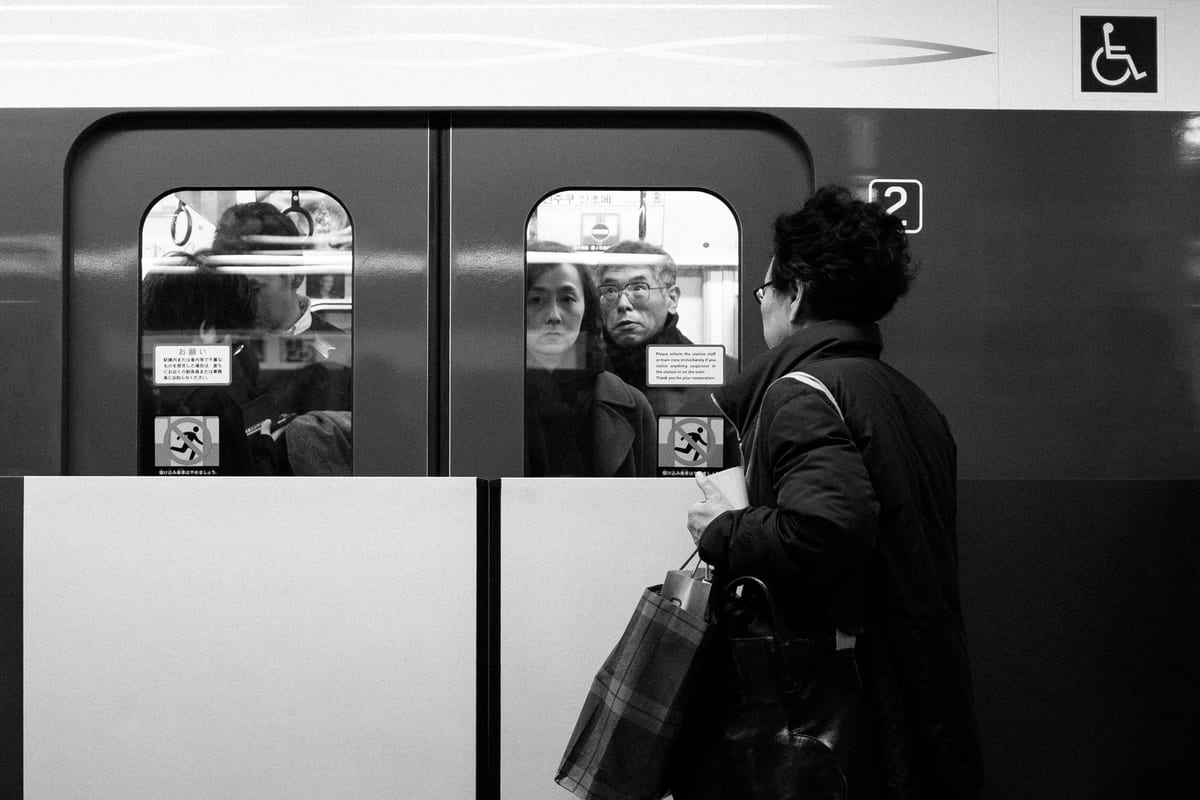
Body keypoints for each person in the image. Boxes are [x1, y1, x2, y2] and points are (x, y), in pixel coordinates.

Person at [678, 187, 984, 799]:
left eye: (766, 290)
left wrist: (723, 528)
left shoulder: (802, 391)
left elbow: (825, 529)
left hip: (836, 702)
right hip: (910, 678)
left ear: (797, 294)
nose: (761, 305)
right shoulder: (907, 398)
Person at [524, 241, 656, 476]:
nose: (553, 316)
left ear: (587, 306)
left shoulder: (633, 406)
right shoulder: (489, 402)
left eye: (567, 299)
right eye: (536, 300)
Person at [211, 201, 351, 414]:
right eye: (232, 291)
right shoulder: (217, 355)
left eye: (253, 289)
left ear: (295, 275)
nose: (241, 303)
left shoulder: (344, 354)